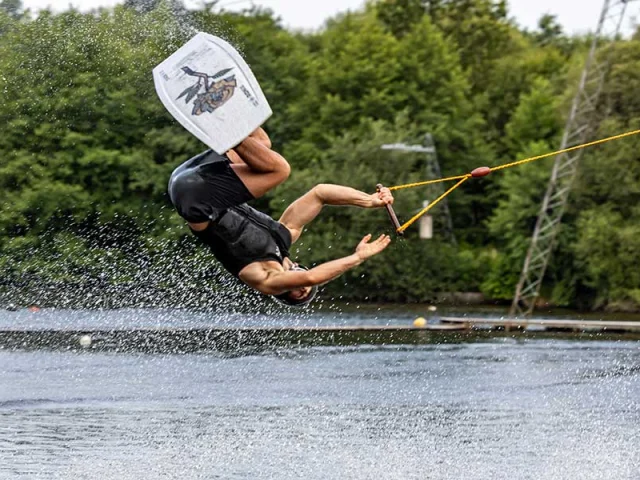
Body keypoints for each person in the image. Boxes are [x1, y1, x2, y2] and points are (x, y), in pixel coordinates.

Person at [168, 128, 394, 306]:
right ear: (300, 266)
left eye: (295, 294)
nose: (300, 288)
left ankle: (225, 128)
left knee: (278, 170)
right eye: (303, 290)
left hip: (196, 199)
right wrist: (368, 200)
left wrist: (358, 258)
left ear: (280, 292)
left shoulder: (265, 280)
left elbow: (311, 278)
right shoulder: (284, 235)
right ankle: (225, 113)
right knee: (261, 145)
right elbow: (321, 193)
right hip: (190, 176)